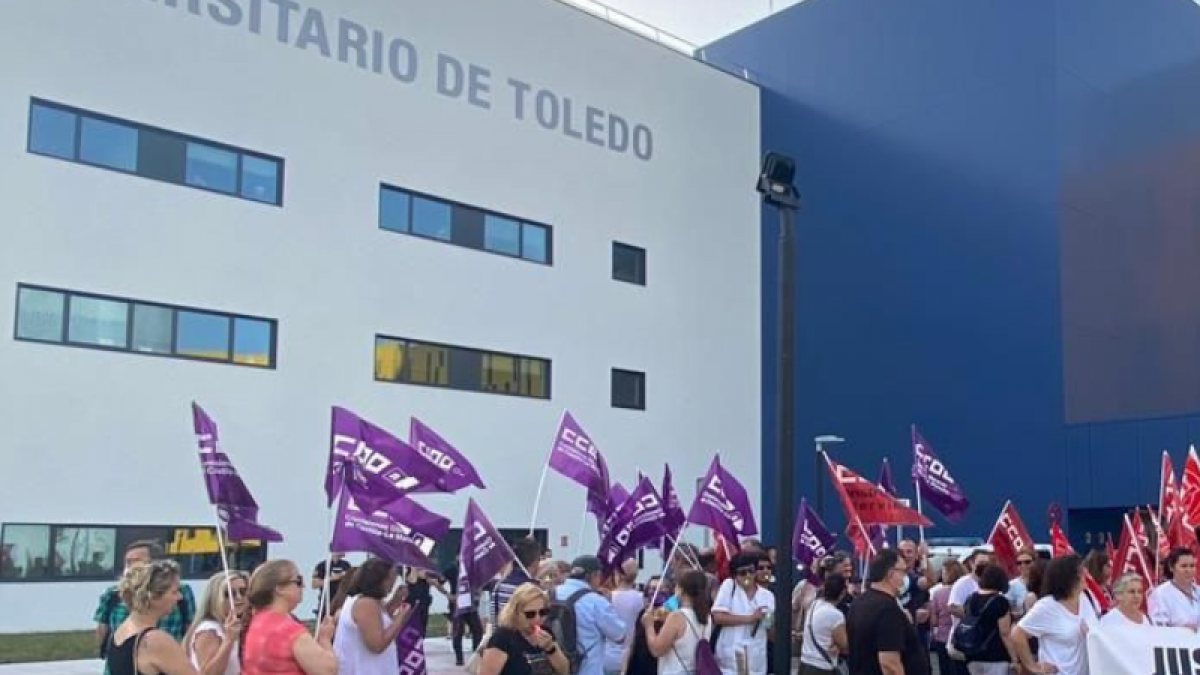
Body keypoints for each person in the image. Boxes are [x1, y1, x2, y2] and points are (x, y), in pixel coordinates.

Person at [96, 541, 198, 659]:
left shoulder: (182, 591)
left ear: (155, 565)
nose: (129, 567)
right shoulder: (112, 594)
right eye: (127, 562)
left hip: (167, 663)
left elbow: (190, 627)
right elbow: (102, 629)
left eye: (135, 561)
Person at [240, 559, 337, 675]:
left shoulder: (257, 620)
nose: (303, 586)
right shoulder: (290, 631)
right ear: (279, 589)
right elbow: (327, 671)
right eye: (298, 581)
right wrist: (325, 639)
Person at [105, 560, 199, 675]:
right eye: (174, 592)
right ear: (153, 597)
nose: (180, 597)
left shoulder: (119, 632)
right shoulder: (155, 641)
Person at [845, 550, 928, 675]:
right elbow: (889, 664)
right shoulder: (888, 609)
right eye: (903, 571)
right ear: (890, 573)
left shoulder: (859, 602)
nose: (904, 577)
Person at [1011, 554, 1097, 675]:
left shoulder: (1084, 598)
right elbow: (1017, 634)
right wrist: (1033, 666)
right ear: (1068, 578)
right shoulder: (1047, 606)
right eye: (1081, 573)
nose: (1086, 575)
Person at [333, 558, 412, 675]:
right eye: (392, 576)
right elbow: (377, 645)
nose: (394, 581)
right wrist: (399, 618)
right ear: (381, 580)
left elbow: (377, 621)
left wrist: (396, 600)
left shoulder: (367, 600)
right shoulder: (366, 604)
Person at [555, 556, 627, 675]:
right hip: (587, 669)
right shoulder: (596, 601)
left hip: (555, 668)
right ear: (595, 575)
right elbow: (619, 635)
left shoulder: (550, 594)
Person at [478, 582, 570, 675]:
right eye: (530, 614)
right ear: (516, 613)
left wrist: (550, 648)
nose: (537, 618)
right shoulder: (502, 638)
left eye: (542, 612)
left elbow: (564, 671)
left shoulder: (546, 633)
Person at [713, 551, 775, 675]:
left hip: (756, 658)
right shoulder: (729, 586)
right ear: (734, 575)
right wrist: (750, 618)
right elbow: (718, 617)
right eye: (742, 573)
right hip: (730, 657)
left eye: (751, 571)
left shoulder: (767, 595)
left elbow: (769, 627)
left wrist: (770, 622)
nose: (748, 576)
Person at [643, 569, 713, 675]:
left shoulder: (677, 617)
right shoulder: (707, 617)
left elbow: (656, 649)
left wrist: (648, 626)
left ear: (681, 590)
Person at [186, 571, 248, 675]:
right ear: (216, 597)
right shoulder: (209, 630)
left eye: (243, 591)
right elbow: (208, 673)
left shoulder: (231, 626)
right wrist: (228, 640)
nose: (239, 597)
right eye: (229, 594)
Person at [962, 564, 1016, 675]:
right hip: (996, 655)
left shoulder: (971, 599)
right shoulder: (1000, 602)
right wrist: (1015, 658)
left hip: (973, 654)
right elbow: (1004, 633)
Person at [798, 573, 848, 675]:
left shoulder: (814, 605)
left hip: (805, 664)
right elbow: (845, 645)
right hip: (822, 667)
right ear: (842, 593)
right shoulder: (835, 615)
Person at [606, 559, 645, 675]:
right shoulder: (642, 598)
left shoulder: (608, 597)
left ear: (618, 574)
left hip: (608, 654)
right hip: (632, 655)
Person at [492, 538, 543, 625]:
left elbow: (494, 619)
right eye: (539, 559)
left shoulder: (499, 585)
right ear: (535, 562)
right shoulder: (530, 589)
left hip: (500, 635)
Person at [1148, 547, 1200, 629]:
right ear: (1171, 567)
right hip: (1177, 641)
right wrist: (1181, 629)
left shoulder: (1198, 590)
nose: (1189, 570)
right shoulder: (1160, 594)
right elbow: (1159, 629)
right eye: (1184, 566)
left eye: (1192, 566)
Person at [929, 560, 965, 675]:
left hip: (942, 637)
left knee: (945, 669)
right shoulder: (963, 591)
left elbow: (934, 620)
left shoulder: (938, 593)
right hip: (960, 637)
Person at [448, 563, 485, 667]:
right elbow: (438, 579)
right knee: (457, 632)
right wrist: (447, 594)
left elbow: (481, 582)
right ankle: (459, 659)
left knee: (477, 631)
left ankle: (475, 656)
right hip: (458, 605)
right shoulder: (452, 570)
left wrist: (478, 594)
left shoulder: (473, 570)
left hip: (470, 605)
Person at [405, 566, 450, 638]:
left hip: (424, 603)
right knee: (412, 626)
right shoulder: (410, 573)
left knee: (422, 626)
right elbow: (413, 579)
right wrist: (415, 568)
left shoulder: (427, 577)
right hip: (413, 604)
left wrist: (447, 594)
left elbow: (436, 583)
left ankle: (420, 640)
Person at [311, 553, 351, 620]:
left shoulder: (346, 565)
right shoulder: (322, 565)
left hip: (342, 603)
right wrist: (332, 578)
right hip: (326, 603)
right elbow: (314, 584)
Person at [1005, 549, 1036, 620]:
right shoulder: (1012, 585)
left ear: (1034, 562)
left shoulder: (1043, 581)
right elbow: (1007, 610)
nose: (1023, 565)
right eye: (1019, 563)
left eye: (1027, 562)